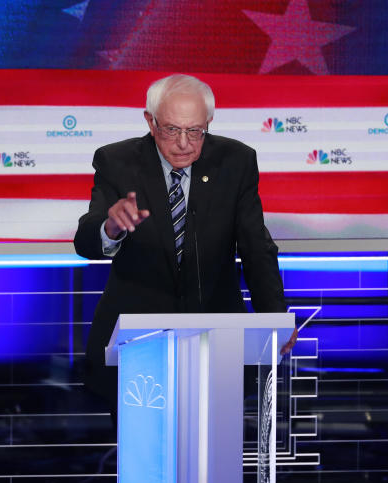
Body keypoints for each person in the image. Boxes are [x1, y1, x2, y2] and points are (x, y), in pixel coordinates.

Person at [74, 73, 296, 412]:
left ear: (208, 123)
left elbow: (256, 249)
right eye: (171, 130)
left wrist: (274, 317)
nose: (184, 143)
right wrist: (111, 227)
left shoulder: (235, 162)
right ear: (150, 122)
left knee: (213, 453)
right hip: (138, 342)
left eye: (195, 131)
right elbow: (85, 240)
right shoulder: (117, 161)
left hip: (217, 338)